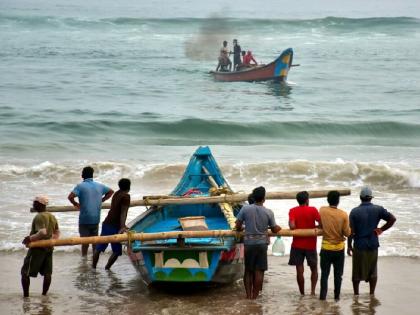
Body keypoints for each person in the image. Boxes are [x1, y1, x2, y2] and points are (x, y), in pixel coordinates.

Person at [347, 186, 396, 296]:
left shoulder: (354, 212)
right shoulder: (378, 209)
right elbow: (392, 219)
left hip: (359, 245)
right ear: (371, 198)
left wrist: (349, 245)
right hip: (373, 244)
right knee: (373, 270)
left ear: (360, 197)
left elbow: (351, 231)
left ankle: (356, 295)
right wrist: (381, 229)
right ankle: (371, 294)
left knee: (356, 272)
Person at [236, 186, 281, 299]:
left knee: (248, 271)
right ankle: (255, 297)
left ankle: (248, 296)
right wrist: (279, 228)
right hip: (262, 244)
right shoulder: (268, 212)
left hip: (249, 243)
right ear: (264, 198)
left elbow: (238, 224)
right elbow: (275, 229)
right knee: (259, 271)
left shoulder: (245, 209)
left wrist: (240, 229)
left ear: (253, 197)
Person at [68, 166, 114, 257]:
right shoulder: (100, 186)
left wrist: (75, 204)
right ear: (92, 175)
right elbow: (111, 191)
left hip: (84, 219)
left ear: (83, 175)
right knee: (95, 242)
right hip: (96, 218)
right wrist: (102, 200)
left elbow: (70, 197)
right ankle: (94, 260)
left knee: (84, 242)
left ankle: (84, 260)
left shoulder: (80, 186)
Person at [21, 196, 60, 297]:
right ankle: (44, 295)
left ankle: (26, 296)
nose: (33, 204)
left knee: (25, 272)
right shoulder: (52, 216)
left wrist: (30, 238)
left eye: (34, 203)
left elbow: (42, 232)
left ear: (39, 204)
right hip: (49, 247)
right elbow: (57, 232)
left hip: (37, 249)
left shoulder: (39, 216)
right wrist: (52, 241)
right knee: (47, 273)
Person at [319, 191, 351, 301]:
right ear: (338, 201)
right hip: (339, 249)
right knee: (338, 276)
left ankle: (322, 297)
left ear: (328, 200)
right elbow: (347, 233)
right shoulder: (343, 214)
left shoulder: (322, 210)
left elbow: (321, 224)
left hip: (326, 248)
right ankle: (336, 297)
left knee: (324, 274)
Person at [93, 178, 131, 270]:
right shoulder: (126, 196)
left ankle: (93, 267)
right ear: (129, 187)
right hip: (115, 226)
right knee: (117, 251)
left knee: (99, 248)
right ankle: (107, 268)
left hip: (106, 223)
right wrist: (122, 226)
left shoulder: (117, 193)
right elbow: (123, 212)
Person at [288, 191, 321, 296]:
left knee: (299, 270)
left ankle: (302, 293)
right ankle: (312, 292)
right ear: (307, 200)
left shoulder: (292, 210)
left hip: (297, 244)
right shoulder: (313, 210)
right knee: (314, 268)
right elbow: (321, 223)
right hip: (310, 244)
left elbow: (292, 226)